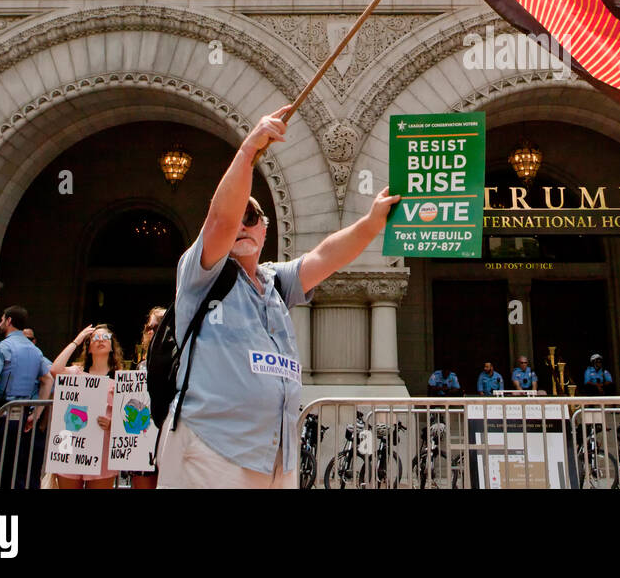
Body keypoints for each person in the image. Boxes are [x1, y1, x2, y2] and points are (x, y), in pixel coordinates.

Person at [155, 105, 399, 489]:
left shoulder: (274, 282)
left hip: (273, 455)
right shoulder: (201, 273)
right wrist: (248, 151)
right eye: (237, 215)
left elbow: (325, 256)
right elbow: (221, 220)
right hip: (211, 448)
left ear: (265, 231)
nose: (241, 225)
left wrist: (371, 223)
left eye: (251, 218)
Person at [0, 305, 54, 489]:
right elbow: (48, 380)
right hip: (22, 418)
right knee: (18, 470)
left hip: (0, 415)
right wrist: (35, 414)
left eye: (2, 319)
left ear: (9, 321)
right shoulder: (36, 351)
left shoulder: (2, 347)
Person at [47, 324, 124, 488]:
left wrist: (113, 424)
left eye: (105, 337)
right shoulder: (76, 373)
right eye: (94, 338)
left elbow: (129, 419)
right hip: (72, 447)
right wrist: (77, 340)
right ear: (88, 347)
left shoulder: (120, 380)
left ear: (112, 346)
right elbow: (55, 370)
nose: (100, 340)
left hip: (102, 450)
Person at [130, 306, 165, 489]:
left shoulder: (181, 362)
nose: (151, 331)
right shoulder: (141, 366)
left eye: (156, 327)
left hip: (167, 438)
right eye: (148, 328)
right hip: (143, 441)